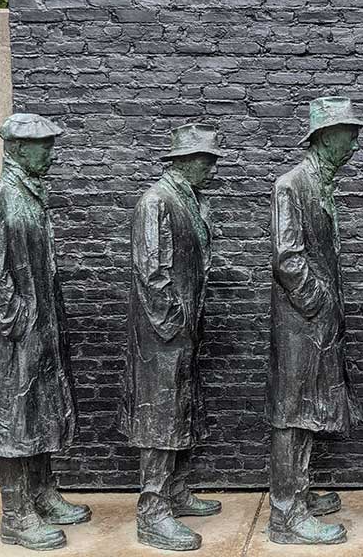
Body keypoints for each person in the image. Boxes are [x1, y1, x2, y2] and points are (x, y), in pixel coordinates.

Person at [0, 113, 91, 551]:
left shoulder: (32, 197)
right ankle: (15, 515)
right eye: (43, 146)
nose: (50, 153)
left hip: (41, 329)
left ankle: (42, 495)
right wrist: (20, 322)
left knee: (41, 412)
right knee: (16, 422)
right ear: (18, 148)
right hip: (18, 337)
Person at [266, 96, 363, 545]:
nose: (355, 144)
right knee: (292, 415)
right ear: (327, 137)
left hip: (314, 324)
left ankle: (299, 492)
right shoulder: (292, 185)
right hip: (301, 324)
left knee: (306, 412)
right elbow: (287, 258)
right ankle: (286, 516)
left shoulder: (321, 185)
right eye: (350, 134)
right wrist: (318, 302)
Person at [121, 123, 224, 551]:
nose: (212, 168)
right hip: (162, 335)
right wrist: (175, 323)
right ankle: (152, 512)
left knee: (180, 411)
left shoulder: (188, 201)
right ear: (183, 161)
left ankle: (176, 492)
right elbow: (152, 273)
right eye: (206, 160)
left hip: (180, 333)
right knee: (159, 419)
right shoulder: (156, 202)